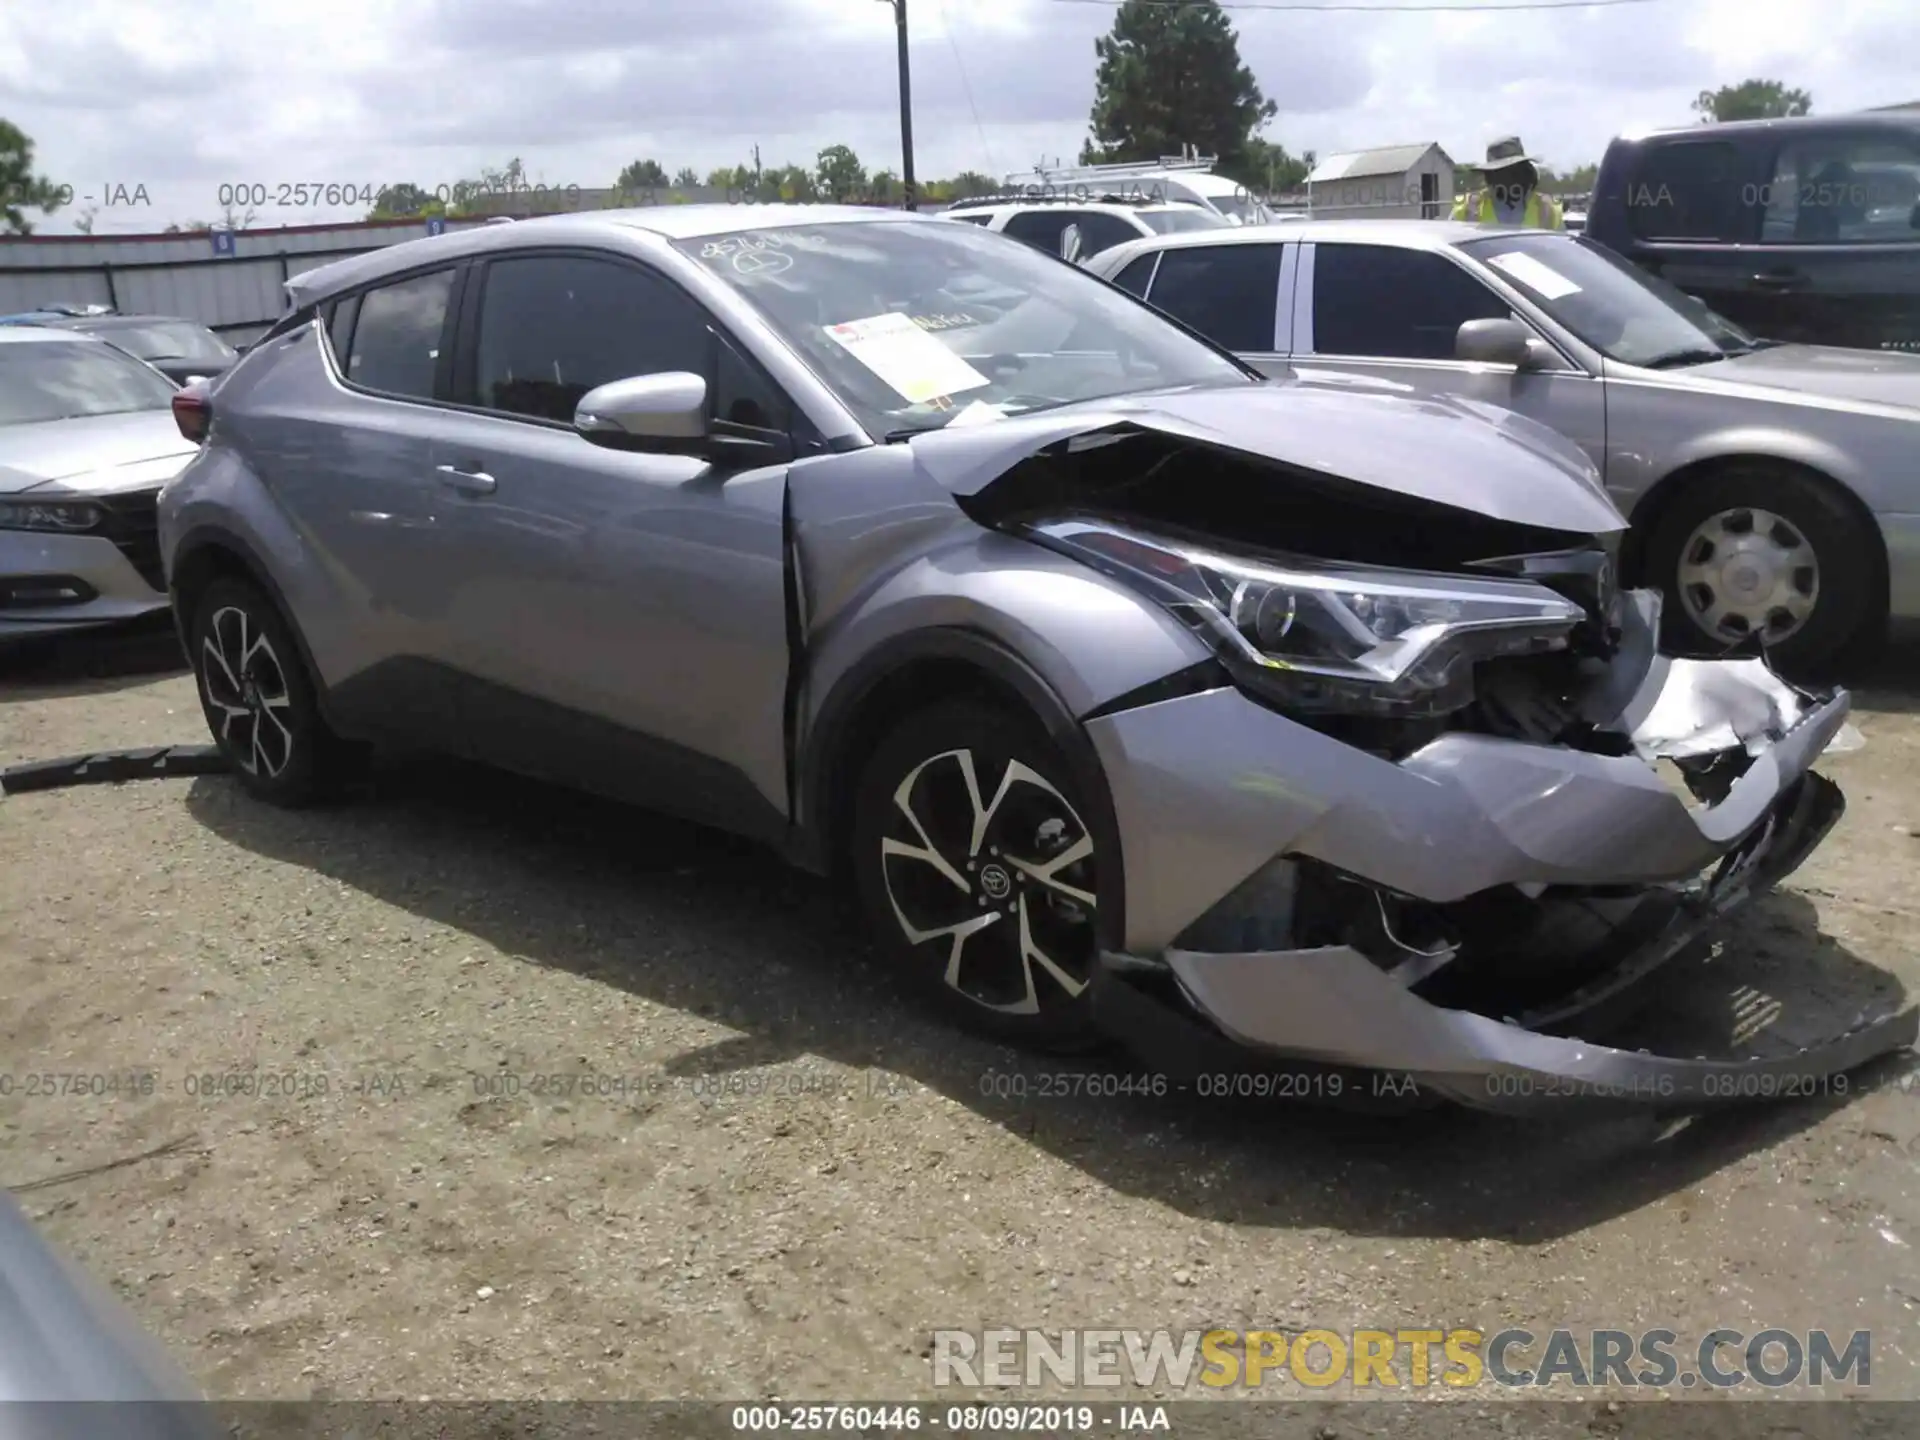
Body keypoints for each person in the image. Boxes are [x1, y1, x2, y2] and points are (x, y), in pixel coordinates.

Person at [1453, 136, 1565, 229]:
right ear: (1490, 175)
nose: (1508, 178)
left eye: (1515, 171)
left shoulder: (1548, 210)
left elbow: (1562, 253)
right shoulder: (1466, 210)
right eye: (1500, 172)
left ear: (1526, 172)